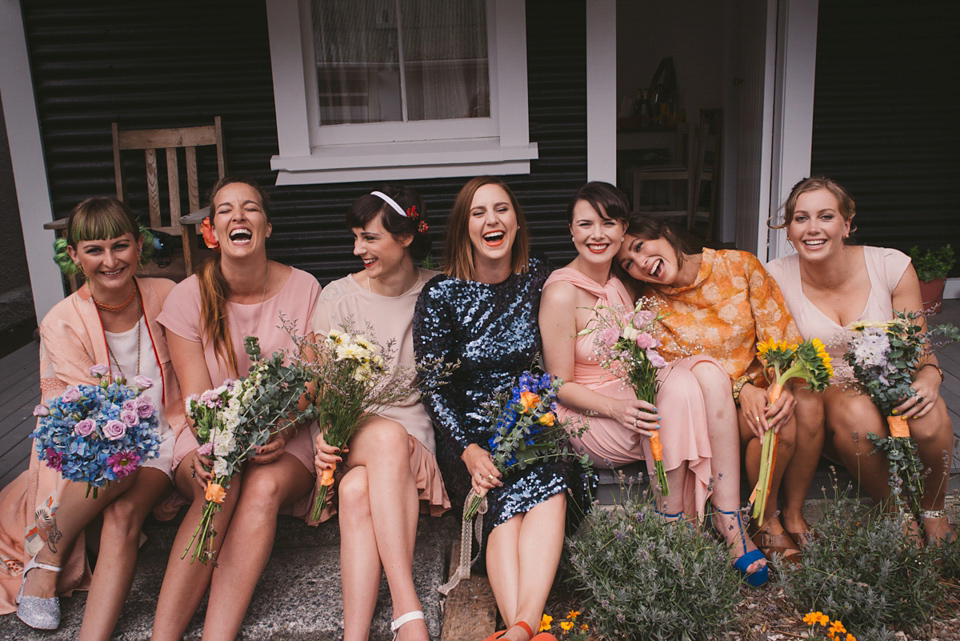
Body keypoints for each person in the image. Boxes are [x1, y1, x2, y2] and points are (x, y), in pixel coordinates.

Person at [539, 181, 766, 586]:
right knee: (677, 391)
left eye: (608, 223)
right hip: (593, 414)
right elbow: (559, 386)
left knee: (710, 374)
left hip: (635, 398)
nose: (597, 234)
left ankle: (728, 518)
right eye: (585, 224)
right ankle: (672, 526)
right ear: (571, 232)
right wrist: (616, 408)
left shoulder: (621, 283)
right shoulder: (560, 293)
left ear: (622, 230)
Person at [0, 197, 185, 638]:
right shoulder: (62, 320)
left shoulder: (168, 295)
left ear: (139, 246)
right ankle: (45, 564)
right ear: (75, 256)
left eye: (120, 246)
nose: (110, 260)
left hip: (162, 438)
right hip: (97, 444)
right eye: (95, 249)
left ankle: (50, 570)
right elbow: (78, 411)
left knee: (122, 502)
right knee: (115, 476)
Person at [151, 177, 322, 640]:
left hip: (285, 437)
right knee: (221, 482)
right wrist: (221, 446)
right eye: (226, 210)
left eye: (250, 209)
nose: (238, 217)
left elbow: (309, 381)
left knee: (262, 487)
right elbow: (196, 397)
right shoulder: (188, 296)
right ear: (212, 231)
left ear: (268, 227)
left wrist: (283, 429)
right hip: (209, 435)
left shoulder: (304, 288)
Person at [414, 176, 575, 641]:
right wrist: (466, 449)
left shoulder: (539, 278)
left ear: (517, 221)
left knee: (550, 477)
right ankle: (524, 625)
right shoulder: (441, 294)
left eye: (501, 209)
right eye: (478, 212)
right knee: (499, 495)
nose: (492, 220)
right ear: (465, 228)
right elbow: (434, 385)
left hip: (528, 419)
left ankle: (522, 627)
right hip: (465, 433)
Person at [767, 176, 956, 544]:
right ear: (788, 231)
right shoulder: (776, 276)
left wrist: (930, 378)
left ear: (847, 224)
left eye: (825, 216)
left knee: (929, 416)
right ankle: (895, 510)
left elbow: (917, 348)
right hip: (829, 392)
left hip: (890, 377)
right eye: (800, 219)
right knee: (858, 416)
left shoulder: (890, 266)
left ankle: (933, 509)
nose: (813, 229)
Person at [616, 214, 808, 561]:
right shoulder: (650, 304)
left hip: (760, 395)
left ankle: (763, 519)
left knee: (779, 426)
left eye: (640, 247)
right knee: (769, 427)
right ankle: (751, 524)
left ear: (667, 233)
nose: (640, 263)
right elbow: (674, 370)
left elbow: (779, 335)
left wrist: (781, 384)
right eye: (628, 262)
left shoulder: (739, 265)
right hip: (708, 412)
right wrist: (741, 389)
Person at [311, 187, 450, 641]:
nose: (358, 250)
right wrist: (322, 436)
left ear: (406, 236)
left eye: (369, 238)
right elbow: (321, 389)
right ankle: (407, 607)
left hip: (415, 432)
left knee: (355, 493)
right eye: (355, 238)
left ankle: (354, 637)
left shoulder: (438, 290)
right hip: (359, 430)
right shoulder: (338, 298)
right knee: (384, 440)